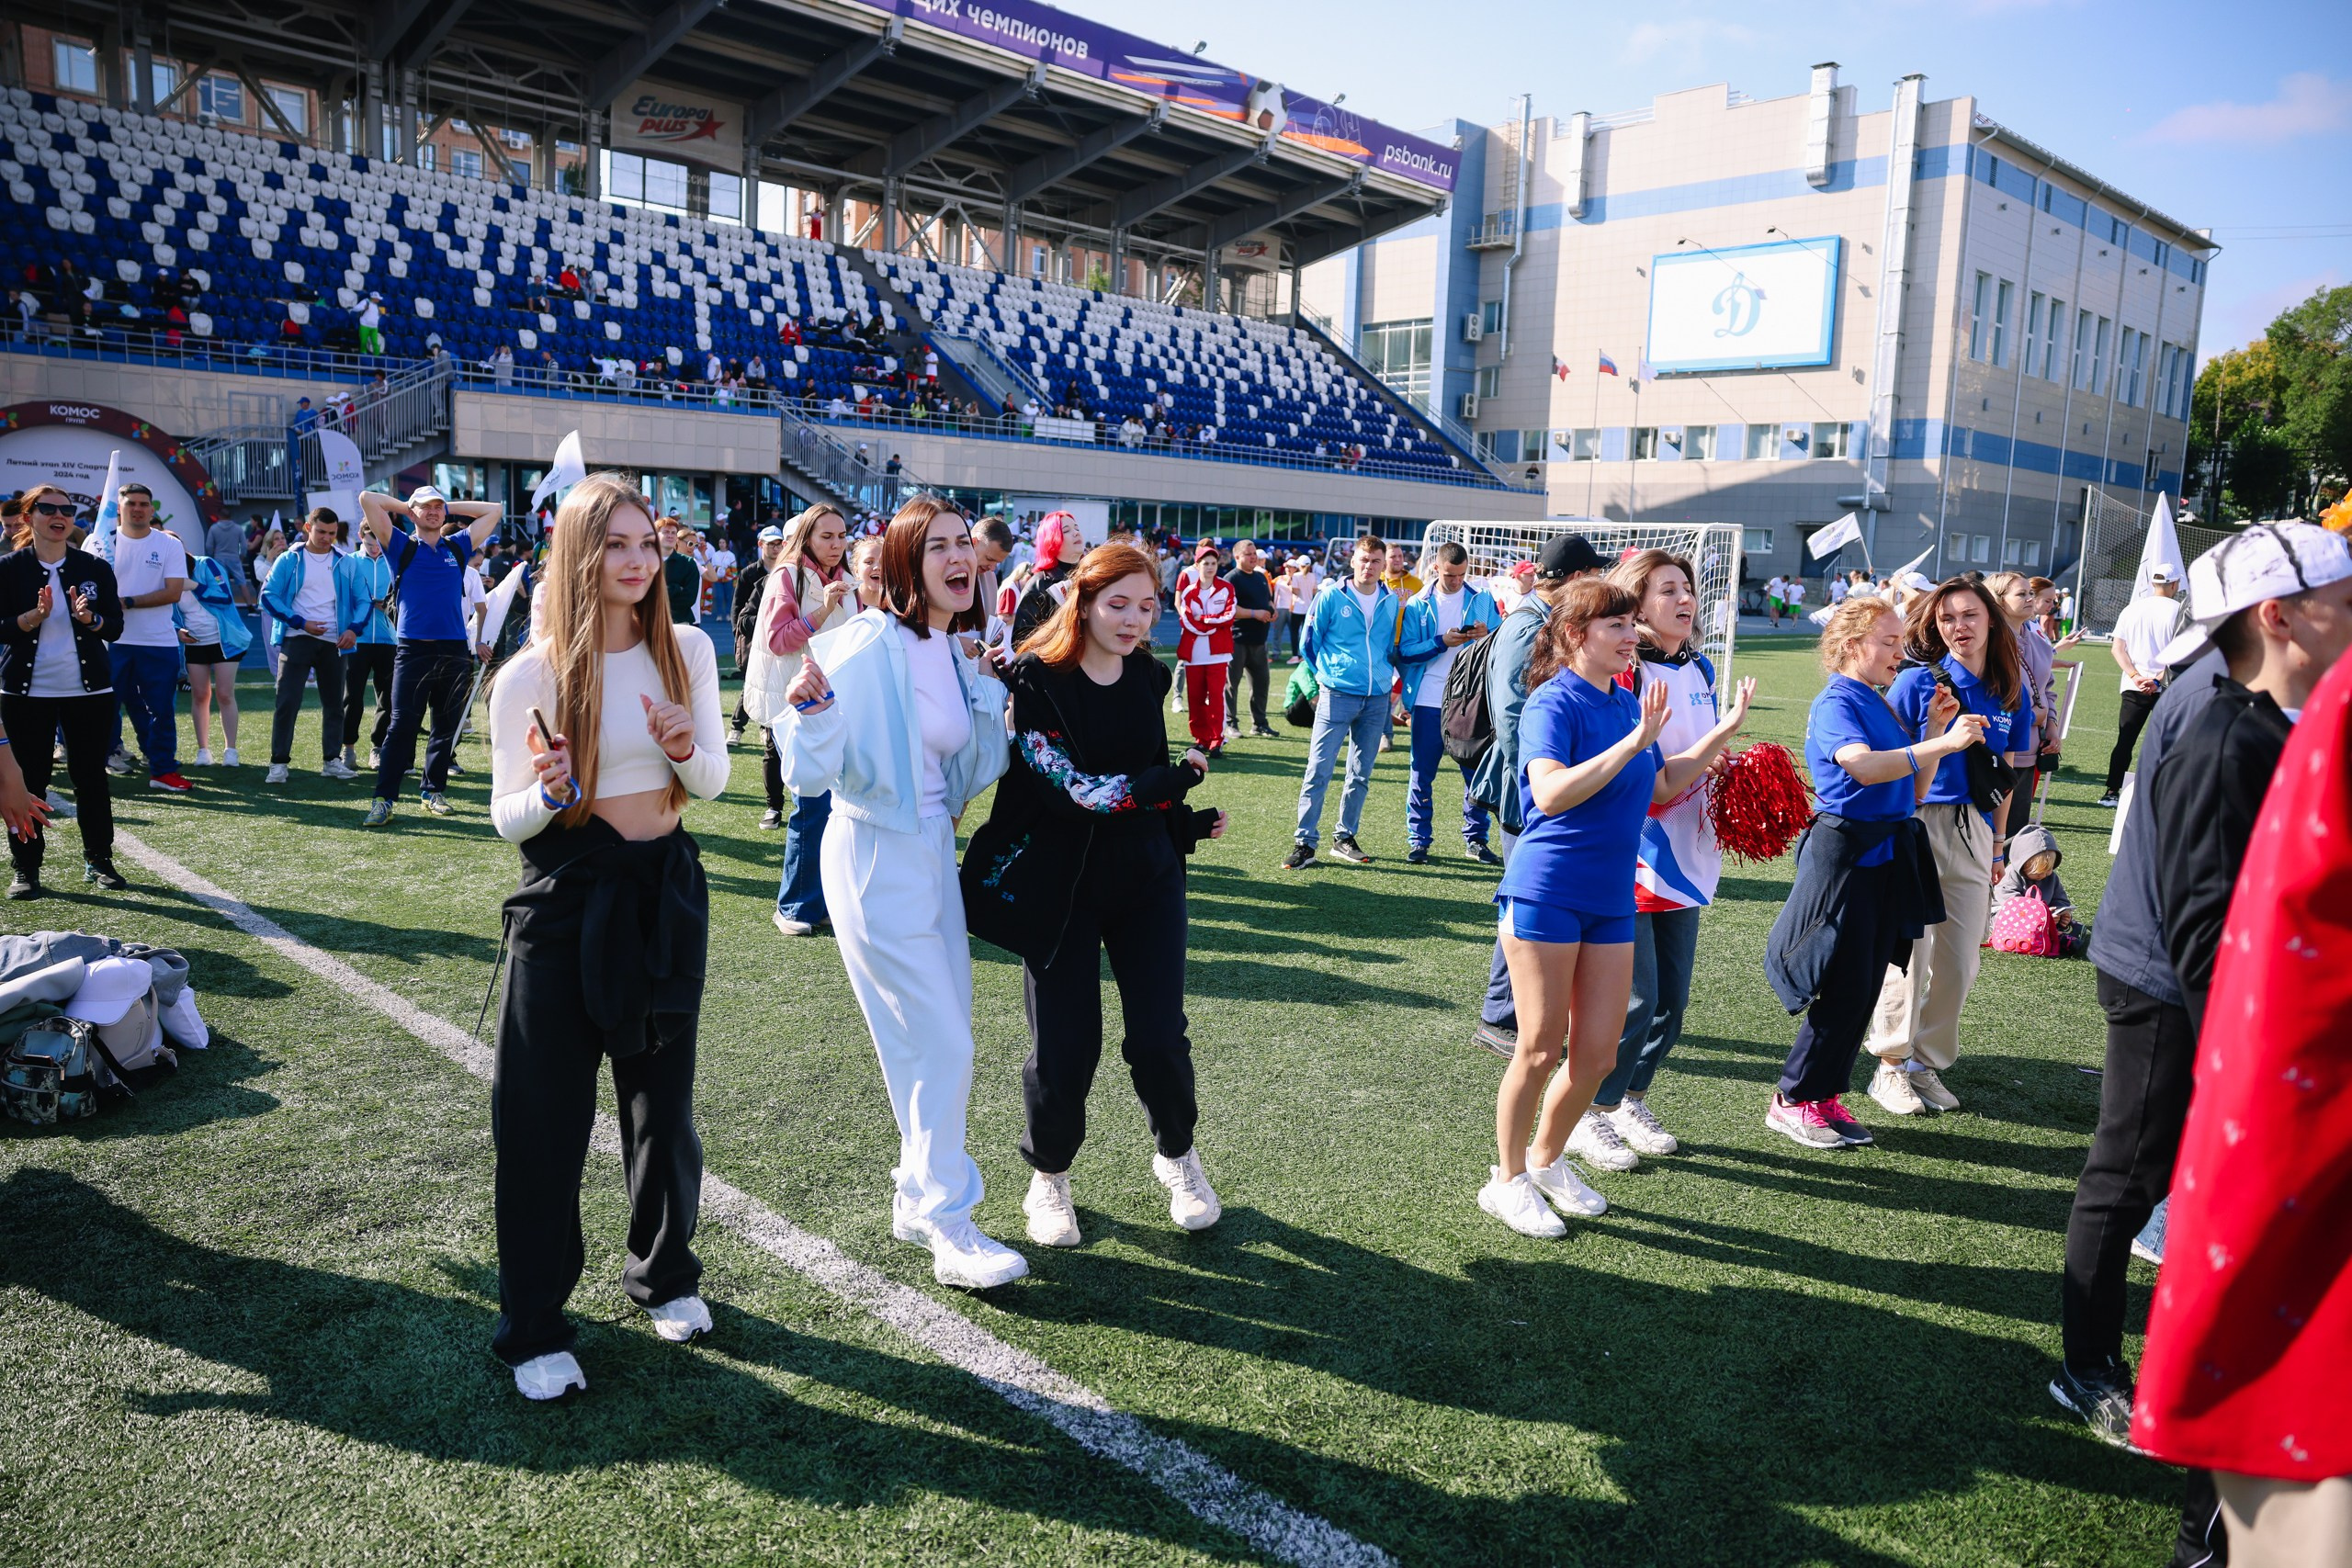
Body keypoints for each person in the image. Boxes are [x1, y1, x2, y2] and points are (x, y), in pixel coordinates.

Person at [484, 471, 728, 1401]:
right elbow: (506, 815)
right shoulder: (530, 672)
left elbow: (710, 781)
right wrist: (546, 794)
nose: (635, 561)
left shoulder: (687, 649)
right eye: (614, 544)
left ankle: (664, 1273)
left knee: (662, 1107)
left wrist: (681, 746)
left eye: (645, 544)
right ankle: (535, 1327)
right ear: (578, 554)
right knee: (542, 1120)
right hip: (565, 897)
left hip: (664, 893)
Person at [2131, 645, 2352, 1565]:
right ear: (2279, 611)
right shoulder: (2226, 731)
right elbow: (2214, 943)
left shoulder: (2281, 721)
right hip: (2267, 1086)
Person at [775, 496, 1028, 1290]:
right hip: (872, 852)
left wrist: (986, 688)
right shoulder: (865, 641)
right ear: (906, 562)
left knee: (935, 1040)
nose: (961, 559)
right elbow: (805, 770)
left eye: (965, 545)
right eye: (939, 546)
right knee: (943, 1043)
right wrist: (813, 715)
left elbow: (974, 769)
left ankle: (916, 1196)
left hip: (932, 851)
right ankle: (950, 1220)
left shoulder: (953, 648)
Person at [959, 543, 1227, 1249]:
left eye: (1147, 606)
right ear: (1082, 600)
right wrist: (1173, 781)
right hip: (1061, 886)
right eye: (1119, 603)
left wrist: (1182, 824)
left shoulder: (1147, 674)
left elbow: (1140, 780)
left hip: (1147, 879)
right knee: (1065, 1047)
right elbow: (1075, 791)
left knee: (1160, 1039)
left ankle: (1178, 1156)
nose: (1134, 619)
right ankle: (1049, 1174)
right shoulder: (1035, 678)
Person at [1479, 578, 1724, 1236]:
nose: (1631, 635)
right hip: (1548, 890)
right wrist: (1634, 741)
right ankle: (1507, 1181)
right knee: (1538, 1049)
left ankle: (1547, 1158)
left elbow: (1660, 785)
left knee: (1596, 1056)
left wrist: (1716, 738)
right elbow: (1551, 793)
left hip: (1612, 896)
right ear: (1574, 634)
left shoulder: (1625, 701)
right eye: (1615, 625)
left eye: (1629, 624)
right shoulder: (1552, 701)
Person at [1763, 598, 1984, 1147]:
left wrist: (1932, 729)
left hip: (1886, 853)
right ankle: (1793, 1099)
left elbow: (1913, 790)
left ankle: (1822, 1095)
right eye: (1887, 643)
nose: (1898, 653)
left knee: (1863, 986)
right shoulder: (1837, 699)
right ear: (1850, 646)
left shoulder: (1878, 700)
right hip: (1847, 853)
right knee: (1842, 982)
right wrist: (1941, 741)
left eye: (1898, 642)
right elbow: (1860, 767)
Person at [1573, 549, 1755, 1168]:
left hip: (1688, 849)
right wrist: (1715, 742)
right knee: (1634, 1000)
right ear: (1637, 604)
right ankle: (1587, 1110)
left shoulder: (1698, 665)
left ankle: (1629, 1098)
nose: (1684, 599)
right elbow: (1650, 781)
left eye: (1687, 588)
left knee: (1671, 1005)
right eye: (1667, 590)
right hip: (1636, 853)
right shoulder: (1629, 673)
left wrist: (1724, 762)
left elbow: (1692, 752)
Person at [1863, 578, 2032, 1117]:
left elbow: (2005, 773)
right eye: (1947, 619)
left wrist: (1999, 845)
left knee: (1961, 959)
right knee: (1910, 953)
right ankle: (1890, 1065)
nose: (1959, 627)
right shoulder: (1917, 680)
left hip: (1976, 830)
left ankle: (1925, 1063)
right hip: (1917, 822)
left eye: (1969, 616)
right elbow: (1887, 754)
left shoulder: (2010, 687)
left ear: (1991, 620)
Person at [1468, 533, 1610, 1054]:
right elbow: (1512, 718)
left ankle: (1523, 1013)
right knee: (1527, 901)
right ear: (1576, 578)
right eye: (1594, 574)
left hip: (1541, 783)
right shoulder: (1528, 626)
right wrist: (1540, 782)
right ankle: (1499, 1017)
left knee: (1539, 899)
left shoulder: (1543, 620)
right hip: (1526, 788)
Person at [0, 483, 127, 897]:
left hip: (89, 693)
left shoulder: (95, 567)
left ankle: (99, 860)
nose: (60, 516)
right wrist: (33, 617)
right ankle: (26, 868)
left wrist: (90, 620)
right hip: (24, 694)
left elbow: (115, 626)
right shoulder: (8, 568)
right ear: (28, 517)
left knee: (91, 779)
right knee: (27, 783)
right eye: (49, 508)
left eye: (67, 510)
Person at [357, 485, 503, 824]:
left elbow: (494, 509)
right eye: (427, 507)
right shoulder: (400, 545)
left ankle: (432, 790)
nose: (435, 511)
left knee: (446, 725)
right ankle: (383, 799)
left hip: (453, 649)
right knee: (401, 726)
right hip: (414, 648)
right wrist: (409, 506)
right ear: (413, 513)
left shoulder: (457, 545)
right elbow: (368, 499)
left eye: (439, 507)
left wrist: (445, 505)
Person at [745, 504, 854, 930]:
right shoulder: (787, 575)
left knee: (831, 806)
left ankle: (820, 902)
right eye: (826, 536)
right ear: (807, 537)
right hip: (794, 705)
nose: (836, 544)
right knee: (810, 803)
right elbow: (778, 640)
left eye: (841, 536)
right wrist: (822, 611)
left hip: (830, 703)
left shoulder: (842, 576)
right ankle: (794, 907)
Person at [1285, 536, 1402, 869]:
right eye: (1364, 559)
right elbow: (1309, 643)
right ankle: (1305, 842)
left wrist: (1385, 678)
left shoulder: (1390, 600)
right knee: (1319, 770)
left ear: (1384, 565)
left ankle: (1344, 837)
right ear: (1353, 561)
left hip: (1376, 697)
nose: (1369, 566)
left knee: (1360, 773)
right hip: (1337, 693)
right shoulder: (1331, 596)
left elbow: (1387, 647)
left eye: (1376, 561)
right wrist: (1327, 676)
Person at [1397, 540, 1503, 866]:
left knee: (1474, 773)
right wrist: (1440, 641)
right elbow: (1406, 651)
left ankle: (1476, 839)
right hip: (1428, 699)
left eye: (1461, 575)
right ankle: (1419, 841)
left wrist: (1487, 635)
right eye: (1449, 575)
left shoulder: (1482, 598)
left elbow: (1502, 643)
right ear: (1436, 568)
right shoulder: (1418, 603)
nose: (1456, 581)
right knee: (1421, 773)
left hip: (1470, 699)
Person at [258, 509, 366, 784]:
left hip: (334, 642)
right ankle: (278, 763)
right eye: (321, 532)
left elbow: (363, 599)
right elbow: (267, 596)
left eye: (332, 533)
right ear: (308, 527)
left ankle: (332, 761)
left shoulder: (346, 561)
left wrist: (353, 629)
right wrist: (300, 622)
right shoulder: (289, 559)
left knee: (334, 705)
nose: (327, 538)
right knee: (287, 702)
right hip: (297, 638)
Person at [102, 482, 193, 793]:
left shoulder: (168, 544)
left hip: (157, 641)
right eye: (131, 503)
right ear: (119, 508)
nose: (138, 509)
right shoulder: (100, 541)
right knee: (103, 708)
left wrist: (126, 602)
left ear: (152, 509)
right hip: (110, 641)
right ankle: (97, 763)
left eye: (144, 504)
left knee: (161, 710)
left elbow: (173, 592)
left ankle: (162, 770)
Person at [2100, 565, 2186, 807]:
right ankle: (2161, 793)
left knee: (2125, 739)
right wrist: (2156, 679)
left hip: (2133, 685)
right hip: (2166, 685)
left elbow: (2118, 649)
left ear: (2152, 583)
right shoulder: (2179, 610)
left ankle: (2112, 792)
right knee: (2166, 741)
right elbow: (2181, 652)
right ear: (2174, 584)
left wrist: (2135, 676)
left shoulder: (2132, 609)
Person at [178, 535, 251, 768]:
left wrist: (195, 586)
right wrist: (178, 629)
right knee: (200, 695)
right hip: (194, 643)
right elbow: (168, 612)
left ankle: (231, 750)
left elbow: (224, 596)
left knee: (225, 694)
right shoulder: (165, 575)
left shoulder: (206, 564)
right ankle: (203, 750)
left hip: (224, 640)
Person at [340, 526, 397, 772]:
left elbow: (403, 595)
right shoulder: (349, 561)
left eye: (378, 544)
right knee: (352, 697)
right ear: (360, 537)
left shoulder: (394, 561)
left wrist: (389, 606)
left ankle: (378, 748)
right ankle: (348, 747)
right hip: (357, 640)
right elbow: (341, 597)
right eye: (370, 544)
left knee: (388, 698)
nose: (374, 549)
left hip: (389, 639)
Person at [1175, 542, 1235, 756]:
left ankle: (1217, 740)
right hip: (1194, 653)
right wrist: (1210, 625)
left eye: (1213, 563)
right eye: (1206, 563)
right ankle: (1201, 739)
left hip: (1218, 653)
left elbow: (1229, 616)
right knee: (1195, 698)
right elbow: (1186, 620)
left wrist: (1205, 620)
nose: (1210, 567)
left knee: (1217, 698)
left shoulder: (1226, 588)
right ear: (1197, 565)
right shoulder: (1189, 592)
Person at [1218, 540, 1276, 740]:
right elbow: (1229, 609)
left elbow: (1267, 600)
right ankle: (1230, 724)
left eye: (1254, 553)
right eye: (1248, 554)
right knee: (1231, 685)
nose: (1253, 557)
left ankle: (1260, 724)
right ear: (1237, 557)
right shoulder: (1231, 578)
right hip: (1237, 639)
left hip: (1259, 640)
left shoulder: (1260, 577)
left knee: (1261, 684)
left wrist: (1271, 610)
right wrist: (1255, 613)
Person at [1008, 512, 1077, 650]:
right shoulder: (1039, 583)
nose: (1076, 533)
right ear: (1051, 540)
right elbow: (1020, 640)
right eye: (1066, 530)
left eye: (1077, 528)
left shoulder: (1090, 575)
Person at [657, 516, 701, 626]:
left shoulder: (689, 564)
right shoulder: (646, 562)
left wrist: (659, 594)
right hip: (651, 621)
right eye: (666, 532)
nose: (670, 535)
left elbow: (689, 598)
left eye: (673, 533)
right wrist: (676, 588)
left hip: (680, 622)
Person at [357, 291, 385, 355]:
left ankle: (377, 356)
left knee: (375, 343)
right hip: (365, 325)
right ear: (374, 298)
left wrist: (380, 314)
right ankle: (363, 354)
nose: (379, 300)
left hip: (374, 327)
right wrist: (363, 308)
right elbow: (357, 310)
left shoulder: (378, 306)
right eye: (377, 299)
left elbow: (378, 316)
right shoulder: (366, 302)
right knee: (363, 342)